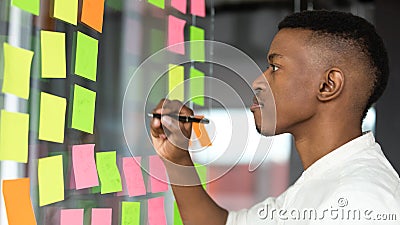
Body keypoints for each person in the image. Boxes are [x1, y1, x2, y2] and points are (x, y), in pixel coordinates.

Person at [150, 10, 400, 225]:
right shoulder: (323, 181)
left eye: (276, 67)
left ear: (327, 85)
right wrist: (178, 158)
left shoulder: (360, 199)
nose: (259, 81)